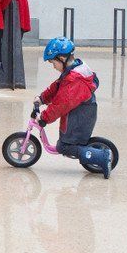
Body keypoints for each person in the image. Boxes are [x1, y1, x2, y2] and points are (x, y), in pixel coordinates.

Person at [36, 37, 112, 179]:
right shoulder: (74, 70)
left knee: (64, 146)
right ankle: (96, 154)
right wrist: (42, 98)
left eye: (53, 63)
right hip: (81, 112)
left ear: (62, 58)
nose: (53, 67)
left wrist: (44, 118)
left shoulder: (74, 80)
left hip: (80, 116)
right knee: (67, 141)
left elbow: (61, 104)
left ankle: (102, 156)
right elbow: (58, 86)